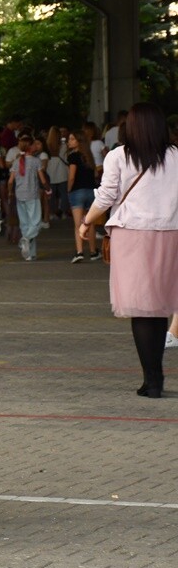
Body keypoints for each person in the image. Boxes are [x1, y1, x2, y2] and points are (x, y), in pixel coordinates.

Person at [80, 102, 178, 398]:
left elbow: (107, 196)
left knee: (141, 307)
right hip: (170, 233)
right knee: (160, 305)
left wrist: (86, 222)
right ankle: (155, 379)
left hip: (132, 235)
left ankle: (152, 380)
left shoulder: (119, 156)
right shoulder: (175, 155)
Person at [9, 134, 49, 261]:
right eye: (34, 144)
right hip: (32, 195)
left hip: (19, 195)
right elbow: (42, 179)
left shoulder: (16, 162)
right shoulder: (36, 161)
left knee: (25, 223)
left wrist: (10, 192)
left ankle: (30, 253)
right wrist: (48, 189)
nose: (36, 146)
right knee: (35, 223)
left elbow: (10, 181)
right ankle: (26, 239)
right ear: (30, 147)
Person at [66, 130, 99, 262]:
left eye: (72, 139)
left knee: (78, 224)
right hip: (91, 191)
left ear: (78, 141)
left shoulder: (73, 156)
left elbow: (72, 176)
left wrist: (69, 190)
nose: (69, 142)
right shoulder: (89, 157)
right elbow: (95, 174)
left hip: (77, 191)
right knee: (90, 223)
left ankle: (79, 252)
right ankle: (93, 252)